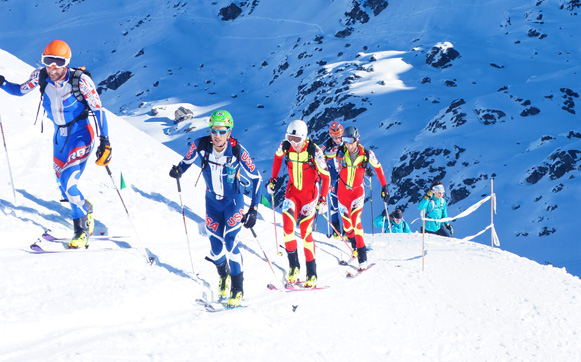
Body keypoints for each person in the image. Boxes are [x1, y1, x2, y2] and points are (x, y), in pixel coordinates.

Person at [0, 40, 111, 248]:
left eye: (57, 62)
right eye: (47, 61)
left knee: (69, 182)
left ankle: (82, 230)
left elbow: (98, 110)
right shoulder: (40, 76)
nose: (52, 67)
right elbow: (19, 91)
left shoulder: (81, 81)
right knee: (61, 183)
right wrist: (3, 83)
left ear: (66, 62)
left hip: (81, 134)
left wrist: (105, 141)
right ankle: (84, 206)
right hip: (59, 137)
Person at [169, 110, 261, 308]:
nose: (216, 135)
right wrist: (178, 170)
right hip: (211, 202)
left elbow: (256, 178)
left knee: (230, 242)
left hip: (233, 202)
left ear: (229, 132)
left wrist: (253, 209)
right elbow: (185, 162)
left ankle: (237, 288)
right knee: (216, 248)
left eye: (221, 131)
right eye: (213, 130)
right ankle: (224, 275)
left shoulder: (237, 151)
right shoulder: (201, 145)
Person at [266, 119, 330, 288]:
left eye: (297, 140)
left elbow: (326, 177)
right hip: (292, 193)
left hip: (310, 197)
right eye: (290, 138)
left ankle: (311, 272)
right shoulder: (285, 146)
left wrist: (323, 198)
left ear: (304, 138)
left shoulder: (314, 151)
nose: (293, 143)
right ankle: (294, 266)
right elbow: (277, 158)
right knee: (287, 229)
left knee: (305, 233)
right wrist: (273, 179)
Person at [334, 126, 389, 270]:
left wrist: (384, 187)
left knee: (356, 221)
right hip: (342, 193)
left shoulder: (367, 154)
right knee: (347, 227)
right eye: (345, 140)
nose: (348, 144)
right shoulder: (340, 152)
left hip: (357, 193)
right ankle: (355, 247)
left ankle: (362, 257)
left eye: (350, 141)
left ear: (357, 140)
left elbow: (378, 168)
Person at [320, 122, 344, 238]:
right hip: (333, 175)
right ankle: (336, 231)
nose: (337, 139)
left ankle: (350, 232)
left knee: (346, 204)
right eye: (335, 137)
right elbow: (319, 157)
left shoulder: (347, 142)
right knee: (334, 203)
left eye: (339, 137)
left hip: (345, 174)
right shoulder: (326, 145)